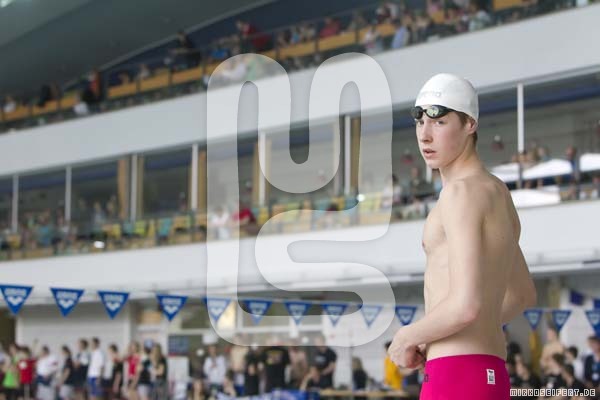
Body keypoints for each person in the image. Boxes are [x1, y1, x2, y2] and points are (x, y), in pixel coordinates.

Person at [387, 73, 537, 400]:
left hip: (454, 375)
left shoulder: (459, 194)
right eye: (420, 122)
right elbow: (522, 294)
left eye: (439, 122)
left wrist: (408, 336)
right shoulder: (497, 192)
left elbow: (465, 305)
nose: (425, 135)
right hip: (488, 373)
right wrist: (442, 330)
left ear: (470, 124)